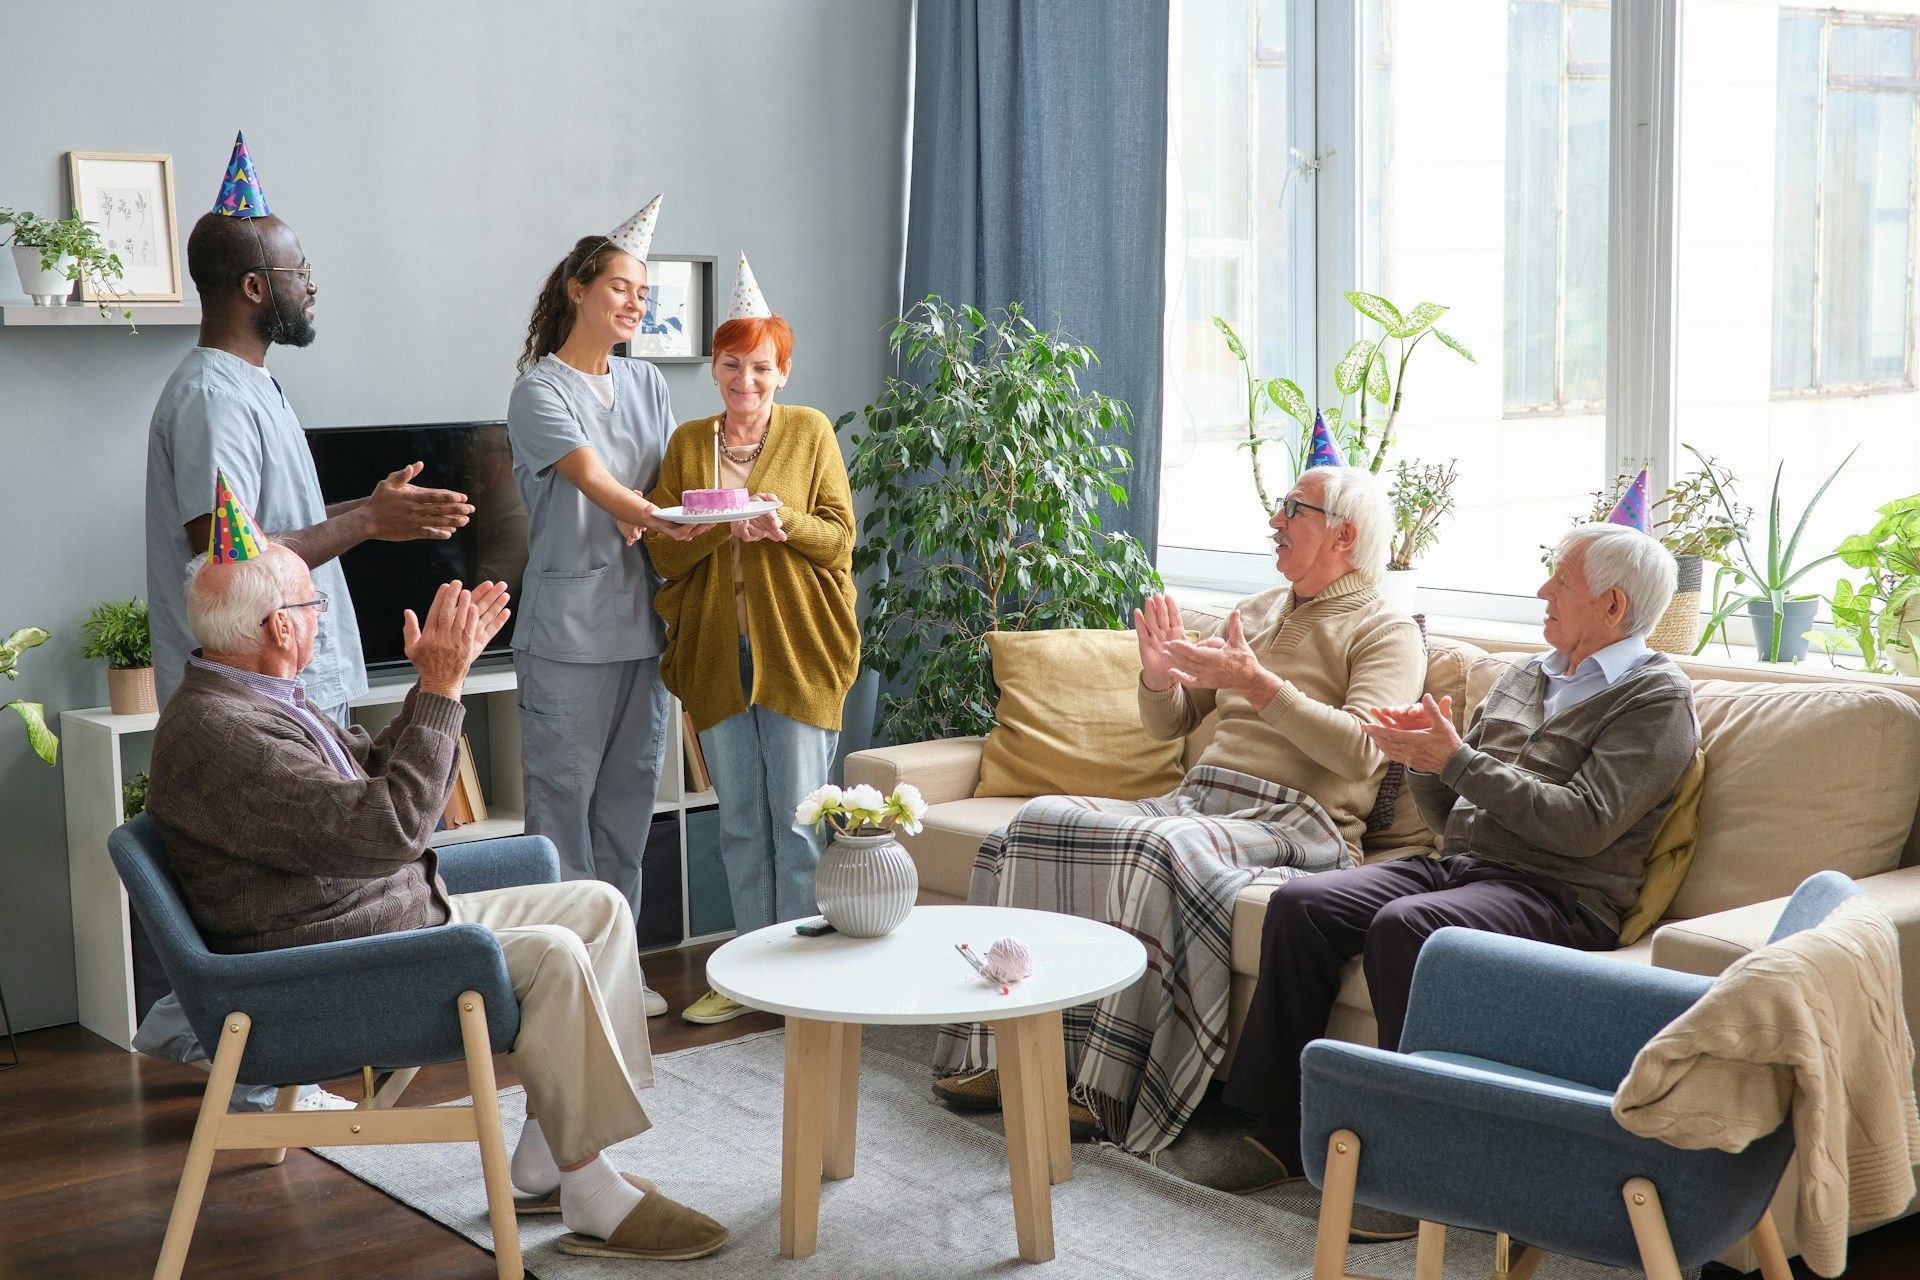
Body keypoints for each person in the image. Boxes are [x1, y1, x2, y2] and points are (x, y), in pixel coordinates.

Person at [144, 532, 728, 1263]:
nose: (320, 615)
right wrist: (448, 691)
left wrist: (432, 684)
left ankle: (549, 1156)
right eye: (312, 602)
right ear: (279, 627)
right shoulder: (226, 733)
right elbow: (391, 827)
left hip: (380, 917)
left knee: (598, 907)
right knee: (553, 954)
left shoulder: (252, 697)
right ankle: (591, 1192)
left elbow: (372, 784)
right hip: (327, 967)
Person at [931, 466, 1427, 1155]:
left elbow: (1361, 754)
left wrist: (1259, 683)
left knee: (1158, 851)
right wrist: (1158, 679)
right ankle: (1004, 1051)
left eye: (1294, 509)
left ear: (1344, 534)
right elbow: (1169, 724)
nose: (1274, 521)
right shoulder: (1255, 611)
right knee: (1038, 821)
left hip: (1296, 825)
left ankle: (1098, 1091)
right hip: (1200, 802)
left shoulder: (1386, 629)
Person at [138, 132, 473, 1106]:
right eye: (297, 270)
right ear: (251, 287)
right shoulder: (208, 395)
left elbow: (264, 530)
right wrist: (368, 521)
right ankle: (239, 1051)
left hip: (298, 691)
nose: (311, 284)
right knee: (282, 899)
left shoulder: (257, 387)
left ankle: (277, 1067)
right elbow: (232, 558)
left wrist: (362, 508)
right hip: (256, 700)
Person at [1222, 522, 1697, 1186]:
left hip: (1559, 893)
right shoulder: (1526, 675)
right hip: (1465, 867)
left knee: (1408, 929)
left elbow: (1585, 825)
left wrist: (1457, 760)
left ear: (1613, 605)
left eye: (1559, 581)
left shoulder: (1655, 699)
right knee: (1301, 905)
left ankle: (1409, 1164)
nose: (1542, 592)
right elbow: (1451, 816)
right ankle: (1274, 1126)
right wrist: (1423, 761)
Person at [645, 254, 859, 1026]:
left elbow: (838, 541)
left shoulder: (809, 433)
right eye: (733, 364)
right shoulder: (687, 444)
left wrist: (780, 524)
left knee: (799, 823)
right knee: (739, 825)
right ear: (714, 367)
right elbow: (664, 548)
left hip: (797, 650)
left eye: (761, 366)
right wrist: (718, 523)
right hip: (715, 653)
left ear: (784, 370)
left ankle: (801, 980)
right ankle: (744, 975)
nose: (746, 379)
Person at [506, 197, 701, 1016]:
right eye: (621, 287)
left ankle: (616, 972)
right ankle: (567, 981)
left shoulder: (649, 383)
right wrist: (645, 511)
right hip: (568, 636)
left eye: (643, 293)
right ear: (578, 290)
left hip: (641, 629)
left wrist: (667, 512)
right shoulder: (537, 392)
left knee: (627, 813)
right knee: (562, 814)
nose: (634, 303)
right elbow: (595, 479)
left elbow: (659, 484)